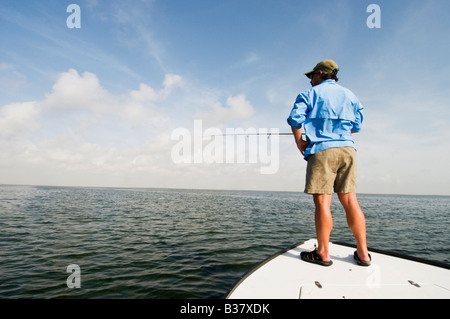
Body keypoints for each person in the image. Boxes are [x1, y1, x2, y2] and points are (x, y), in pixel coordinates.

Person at [287, 59, 371, 267]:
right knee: (351, 201)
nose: (310, 80)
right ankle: (363, 253)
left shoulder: (309, 94)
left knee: (323, 202)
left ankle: (323, 253)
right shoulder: (350, 95)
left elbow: (295, 119)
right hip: (348, 150)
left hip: (322, 151)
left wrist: (300, 142)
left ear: (322, 73)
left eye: (312, 76)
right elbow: (357, 126)